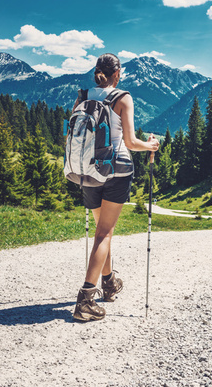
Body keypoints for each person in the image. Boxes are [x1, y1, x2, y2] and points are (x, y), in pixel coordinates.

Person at [72, 53, 159, 322]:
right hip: (116, 170)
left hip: (87, 170)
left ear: (96, 72)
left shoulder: (83, 94)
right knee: (105, 234)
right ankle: (86, 300)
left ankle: (108, 283)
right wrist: (151, 146)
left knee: (101, 232)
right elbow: (131, 142)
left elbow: (72, 134)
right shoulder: (123, 97)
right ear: (117, 73)